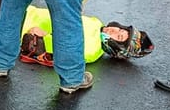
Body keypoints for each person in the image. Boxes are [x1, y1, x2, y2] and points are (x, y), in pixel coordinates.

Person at [18, 5, 154, 65]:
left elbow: (43, 45)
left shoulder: (90, 50)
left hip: (19, 26)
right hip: (27, 9)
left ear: (116, 47)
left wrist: (39, 35)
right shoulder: (97, 23)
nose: (115, 31)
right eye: (120, 30)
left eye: (119, 37)